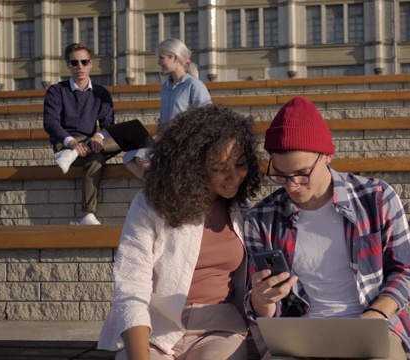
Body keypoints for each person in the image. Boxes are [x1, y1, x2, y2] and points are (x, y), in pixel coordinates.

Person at [244, 97, 410, 359]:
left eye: (302, 173)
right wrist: (261, 301)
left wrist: (376, 314)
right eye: (280, 176)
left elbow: (407, 270)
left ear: (327, 155)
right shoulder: (262, 217)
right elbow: (262, 307)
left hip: (372, 326)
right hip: (299, 336)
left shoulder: (376, 197)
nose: (292, 186)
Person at [97, 105, 261, 360]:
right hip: (155, 325)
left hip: (219, 329)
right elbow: (131, 286)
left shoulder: (241, 210)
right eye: (219, 168)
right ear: (192, 166)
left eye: (240, 164)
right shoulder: (150, 204)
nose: (234, 177)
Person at [43, 43, 121, 225]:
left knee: (124, 136)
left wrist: (98, 136)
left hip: (89, 142)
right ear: (68, 65)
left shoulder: (101, 93)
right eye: (75, 62)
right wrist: (71, 143)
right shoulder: (56, 91)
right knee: (97, 158)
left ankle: (87, 215)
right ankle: (88, 214)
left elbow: (108, 123)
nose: (80, 67)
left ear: (91, 64)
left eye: (84, 62)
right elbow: (50, 122)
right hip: (65, 144)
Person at [124, 38, 212, 180]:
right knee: (129, 156)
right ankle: (156, 186)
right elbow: (164, 119)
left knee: (144, 160)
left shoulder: (194, 85)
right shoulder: (165, 87)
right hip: (164, 141)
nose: (158, 62)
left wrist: (173, 135)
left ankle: (157, 187)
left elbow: (205, 119)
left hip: (184, 143)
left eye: (161, 58)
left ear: (175, 58)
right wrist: (157, 135)